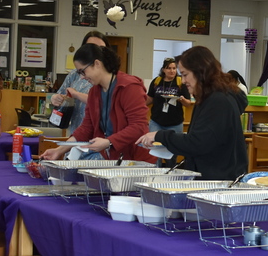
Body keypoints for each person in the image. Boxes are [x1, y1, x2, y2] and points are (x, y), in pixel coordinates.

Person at [137, 46, 247, 180]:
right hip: (212, 176)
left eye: (185, 74)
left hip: (218, 180)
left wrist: (160, 136)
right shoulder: (209, 97)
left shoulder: (218, 101)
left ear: (200, 72)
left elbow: (197, 143)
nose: (183, 81)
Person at [40, 43, 152, 163]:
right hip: (114, 158)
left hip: (136, 159)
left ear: (97, 64)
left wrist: (109, 141)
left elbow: (138, 126)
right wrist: (59, 150)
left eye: (82, 71)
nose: (82, 77)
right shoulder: (95, 91)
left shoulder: (129, 87)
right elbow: (86, 128)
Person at [50, 30, 106, 136]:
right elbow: (61, 93)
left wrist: (77, 95)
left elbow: (103, 101)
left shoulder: (108, 77)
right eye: (91, 47)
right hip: (76, 130)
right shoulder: (75, 74)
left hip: (98, 134)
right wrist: (55, 98)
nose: (95, 52)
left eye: (100, 48)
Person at [145, 56, 191, 137]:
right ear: (163, 70)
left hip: (175, 123)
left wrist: (182, 100)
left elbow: (188, 103)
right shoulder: (157, 81)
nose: (172, 71)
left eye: (174, 68)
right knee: (155, 145)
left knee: (174, 147)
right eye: (169, 68)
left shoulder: (180, 82)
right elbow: (150, 98)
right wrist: (138, 103)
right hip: (156, 122)